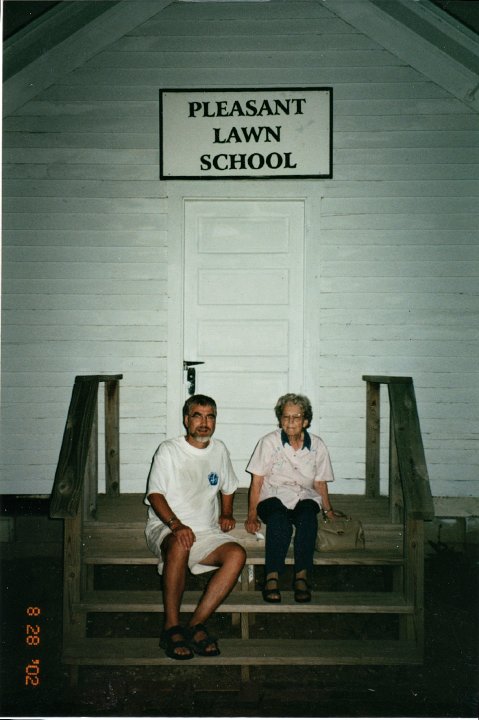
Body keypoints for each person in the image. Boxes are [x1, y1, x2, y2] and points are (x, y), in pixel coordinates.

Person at [145, 394, 246, 660]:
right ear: (186, 419)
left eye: (210, 416)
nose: (204, 422)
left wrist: (226, 512)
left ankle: (196, 624)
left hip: (205, 531)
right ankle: (171, 627)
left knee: (237, 554)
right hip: (167, 526)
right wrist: (176, 525)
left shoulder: (219, 449)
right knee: (180, 543)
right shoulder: (169, 450)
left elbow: (229, 486)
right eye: (197, 416)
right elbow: (155, 495)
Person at [244, 393, 335, 603]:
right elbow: (256, 481)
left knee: (308, 518)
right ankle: (271, 577)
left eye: (296, 417)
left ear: (306, 421)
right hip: (272, 495)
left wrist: (329, 511)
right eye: (286, 417)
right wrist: (251, 515)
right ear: (280, 419)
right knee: (279, 521)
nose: (290, 422)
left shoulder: (318, 446)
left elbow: (320, 482)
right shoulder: (268, 442)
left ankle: (301, 577)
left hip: (304, 495)